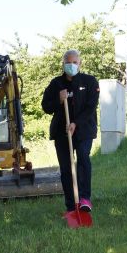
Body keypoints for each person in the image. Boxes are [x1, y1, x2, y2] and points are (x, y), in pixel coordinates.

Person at [42, 49, 99, 214]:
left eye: (75, 62)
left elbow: (91, 107)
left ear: (80, 63)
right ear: (64, 64)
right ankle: (70, 205)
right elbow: (46, 107)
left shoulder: (89, 82)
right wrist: (58, 100)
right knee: (66, 168)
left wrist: (75, 123)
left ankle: (84, 199)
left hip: (84, 131)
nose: (72, 65)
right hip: (62, 132)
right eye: (69, 62)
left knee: (83, 158)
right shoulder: (56, 84)